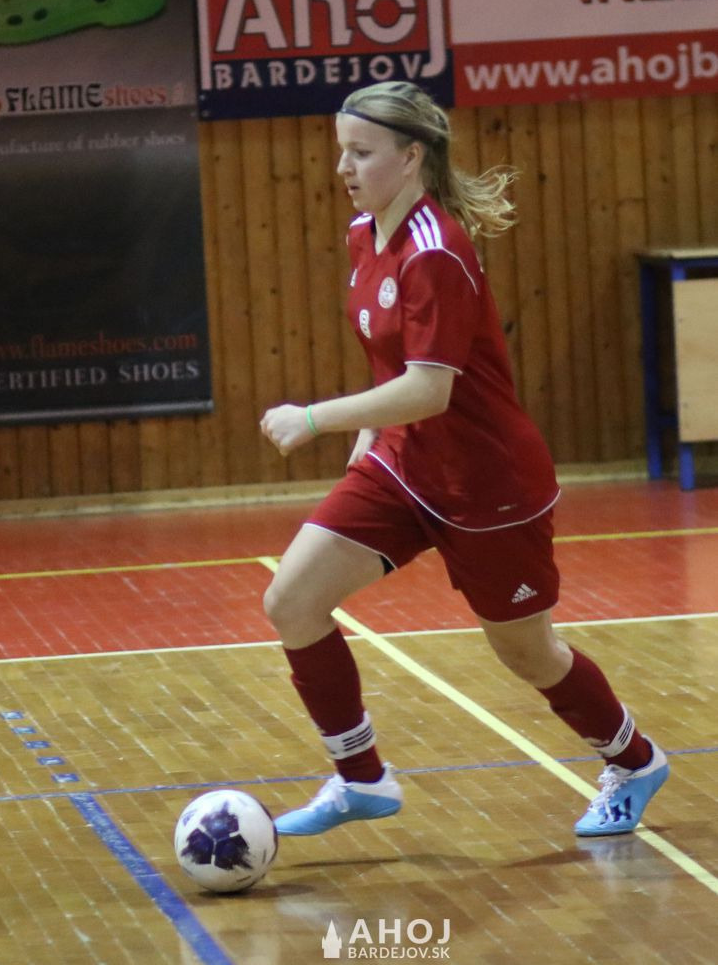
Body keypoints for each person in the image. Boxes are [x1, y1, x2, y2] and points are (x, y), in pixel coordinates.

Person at [259, 80, 668, 839]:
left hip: (488, 484)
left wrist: (314, 417)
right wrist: (367, 435)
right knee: (292, 600)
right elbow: (393, 360)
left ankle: (635, 762)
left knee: (528, 654)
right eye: (342, 151)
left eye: (361, 153)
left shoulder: (435, 252)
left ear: (412, 156)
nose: (343, 167)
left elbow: (429, 388)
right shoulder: (364, 233)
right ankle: (361, 779)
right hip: (404, 463)